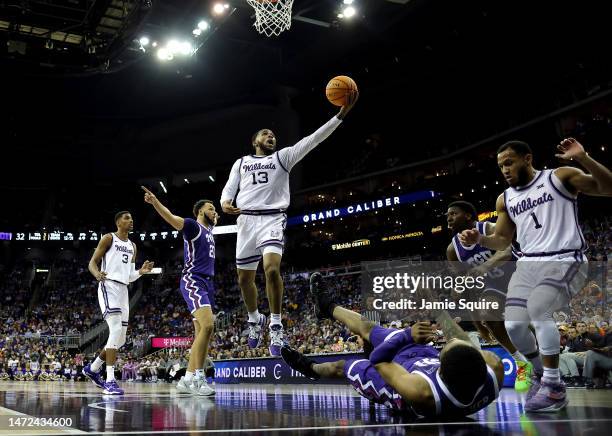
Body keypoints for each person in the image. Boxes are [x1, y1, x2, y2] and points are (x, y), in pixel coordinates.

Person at [460, 138, 612, 412]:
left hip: (565, 258)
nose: (504, 170)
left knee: (538, 309)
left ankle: (554, 388)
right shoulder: (504, 198)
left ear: (527, 159)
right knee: (515, 326)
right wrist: (479, 240)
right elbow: (504, 239)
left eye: (509, 163)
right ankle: (542, 375)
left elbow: (608, 187)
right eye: (500, 166)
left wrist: (584, 158)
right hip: (528, 264)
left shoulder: (559, 177)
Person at [220, 92, 359, 356]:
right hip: (246, 221)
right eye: (265, 134)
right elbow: (229, 190)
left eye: (273, 134)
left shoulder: (283, 158)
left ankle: (275, 324)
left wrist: (340, 115)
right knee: (244, 279)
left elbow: (313, 139)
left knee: (272, 270)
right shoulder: (241, 163)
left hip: (272, 219)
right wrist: (225, 202)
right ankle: (253, 319)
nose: (271, 136)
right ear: (255, 141)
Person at [282, 273, 504, 418]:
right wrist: (436, 308)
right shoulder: (493, 369)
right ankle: (326, 306)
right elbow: (463, 343)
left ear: (442, 368)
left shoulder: (423, 393)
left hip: (396, 382)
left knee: (344, 365)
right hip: (421, 359)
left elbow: (378, 361)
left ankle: (309, 368)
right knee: (369, 327)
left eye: (446, 346)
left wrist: (407, 334)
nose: (450, 338)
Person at [446, 201, 530, 391]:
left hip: (520, 274)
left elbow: (507, 251)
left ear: (468, 216)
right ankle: (521, 362)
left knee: (523, 324)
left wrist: (484, 267)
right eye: (447, 215)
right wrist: (478, 324)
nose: (449, 217)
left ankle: (541, 358)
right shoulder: (453, 250)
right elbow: (466, 288)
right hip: (495, 285)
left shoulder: (489, 227)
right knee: (489, 316)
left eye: (453, 213)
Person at [143, 187, 217, 396]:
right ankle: (198, 378)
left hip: (207, 284)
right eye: (211, 209)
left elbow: (213, 222)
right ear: (200, 212)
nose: (214, 212)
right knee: (209, 326)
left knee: (202, 333)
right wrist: (156, 202)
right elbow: (172, 218)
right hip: (194, 280)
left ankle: (186, 380)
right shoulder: (193, 226)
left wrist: (215, 217)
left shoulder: (209, 231)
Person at [82, 211, 154, 395]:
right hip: (108, 285)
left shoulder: (133, 246)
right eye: (127, 218)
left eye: (132, 218)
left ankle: (93, 368)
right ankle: (110, 380)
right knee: (114, 331)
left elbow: (129, 277)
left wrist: (141, 272)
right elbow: (92, 263)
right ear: (118, 222)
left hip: (123, 290)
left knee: (120, 339)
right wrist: (97, 274)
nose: (131, 220)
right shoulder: (108, 238)